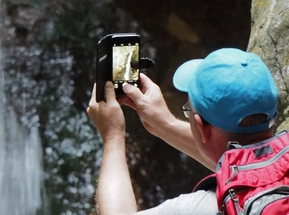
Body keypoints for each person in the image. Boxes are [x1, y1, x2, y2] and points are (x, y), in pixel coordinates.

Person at [87, 47, 278, 215]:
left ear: (201, 127)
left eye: (188, 110)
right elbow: (241, 163)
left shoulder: (206, 208)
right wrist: (165, 124)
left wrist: (113, 136)